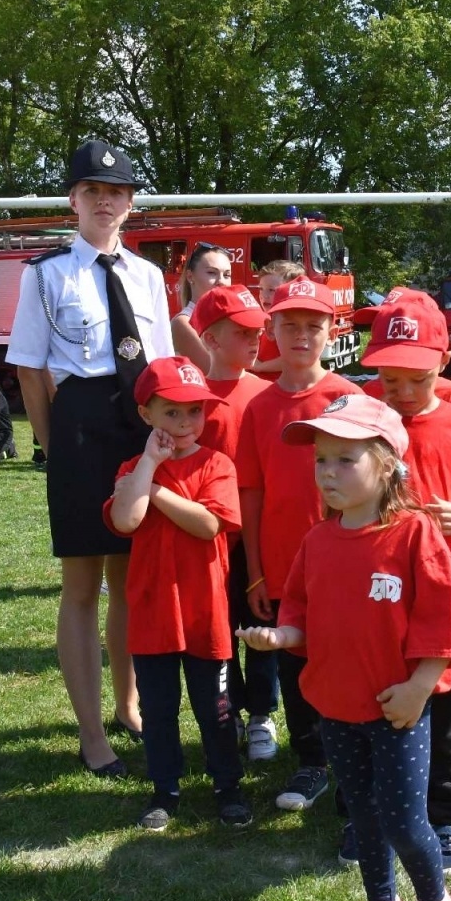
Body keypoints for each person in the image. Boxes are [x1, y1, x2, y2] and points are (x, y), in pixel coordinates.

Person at [237, 395, 451, 901]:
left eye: (345, 459)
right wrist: (281, 636)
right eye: (321, 459)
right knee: (363, 817)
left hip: (397, 710)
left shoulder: (414, 534)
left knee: (405, 822)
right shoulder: (317, 541)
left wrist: (419, 687)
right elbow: (302, 613)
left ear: (387, 466)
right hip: (336, 707)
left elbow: (445, 618)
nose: (328, 472)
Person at [6, 139, 174, 777]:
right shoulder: (45, 274)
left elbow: (162, 366)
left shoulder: (148, 277)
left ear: (130, 204)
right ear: (73, 200)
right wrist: (54, 447)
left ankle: (129, 705)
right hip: (78, 424)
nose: (105, 201)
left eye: (117, 192)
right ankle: (90, 731)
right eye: (92, 191)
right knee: (81, 585)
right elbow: (29, 370)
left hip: (139, 424)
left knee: (130, 580)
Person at [363, 289, 451, 874]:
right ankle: (367, 813)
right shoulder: (364, 422)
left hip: (442, 594)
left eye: (415, 379)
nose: (400, 392)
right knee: (369, 700)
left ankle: (444, 817)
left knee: (441, 708)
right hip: (377, 591)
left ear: (443, 363)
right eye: (389, 379)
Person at [105, 357, 250, 829]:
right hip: (153, 613)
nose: (185, 422)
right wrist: (148, 465)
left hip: (205, 613)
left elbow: (208, 525)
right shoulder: (134, 468)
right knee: (159, 710)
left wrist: (156, 492)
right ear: (145, 414)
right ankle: (165, 790)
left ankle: (228, 786)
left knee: (216, 710)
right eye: (171, 412)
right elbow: (126, 519)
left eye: (194, 411)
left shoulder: (217, 464)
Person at [237, 276, 362, 813]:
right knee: (295, 664)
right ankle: (311, 760)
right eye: (290, 325)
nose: (302, 336)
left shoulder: (349, 398)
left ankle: (355, 758)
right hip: (283, 566)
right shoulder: (259, 407)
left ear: (332, 330)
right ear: (273, 330)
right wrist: (256, 571)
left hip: (346, 563)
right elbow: (252, 493)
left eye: (314, 325)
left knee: (348, 659)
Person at [189, 284, 280, 761]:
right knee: (219, 629)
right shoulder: (193, 402)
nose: (254, 341)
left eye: (257, 331)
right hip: (212, 539)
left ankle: (263, 714)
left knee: (262, 623)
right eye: (241, 333)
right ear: (210, 339)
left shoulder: (266, 393)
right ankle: (232, 709)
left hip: (260, 535)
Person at [171, 242, 235, 370]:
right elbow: (217, 372)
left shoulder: (230, 319)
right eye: (212, 273)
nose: (221, 281)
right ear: (190, 276)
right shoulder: (183, 322)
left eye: (227, 275)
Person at [249, 259, 303, 376]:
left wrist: (259, 367)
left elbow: (295, 359)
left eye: (272, 290)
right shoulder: (264, 317)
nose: (264, 295)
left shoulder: (291, 323)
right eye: (261, 289)